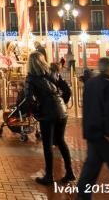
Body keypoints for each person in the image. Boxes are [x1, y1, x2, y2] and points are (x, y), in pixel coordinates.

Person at [24, 51, 74, 185]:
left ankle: (49, 176)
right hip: (61, 112)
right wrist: (61, 102)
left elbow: (28, 100)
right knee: (61, 141)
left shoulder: (30, 78)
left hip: (47, 113)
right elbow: (68, 91)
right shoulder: (53, 73)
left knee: (47, 145)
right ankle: (69, 172)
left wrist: (37, 113)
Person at [76, 57, 109, 199]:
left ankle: (82, 196)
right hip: (105, 135)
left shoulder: (91, 83)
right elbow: (108, 111)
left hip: (92, 132)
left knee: (90, 170)